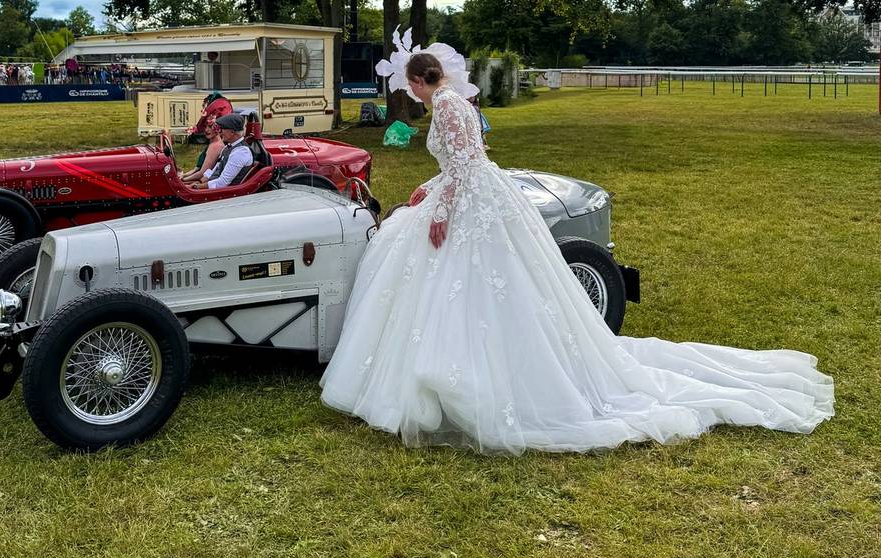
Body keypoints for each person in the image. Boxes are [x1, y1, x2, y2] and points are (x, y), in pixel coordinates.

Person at [319, 43, 834, 456]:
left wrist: (439, 208)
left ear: (418, 81)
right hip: (474, 195)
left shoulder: (448, 105)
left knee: (463, 281)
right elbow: (464, 164)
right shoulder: (455, 101)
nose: (411, 96)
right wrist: (431, 190)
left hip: (471, 202)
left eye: (409, 87)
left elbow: (466, 165)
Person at [191, 114, 253, 190]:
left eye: (222, 129)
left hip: (227, 196)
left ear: (232, 132)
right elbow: (216, 169)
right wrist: (199, 182)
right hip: (216, 189)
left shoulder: (241, 152)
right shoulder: (228, 147)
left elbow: (222, 183)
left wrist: (196, 187)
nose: (219, 132)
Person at [180, 118, 225, 183]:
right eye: (205, 127)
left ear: (218, 129)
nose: (206, 130)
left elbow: (202, 173)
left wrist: (182, 180)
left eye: (210, 127)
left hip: (203, 182)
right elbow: (196, 169)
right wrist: (183, 176)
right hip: (199, 178)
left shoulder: (215, 146)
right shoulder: (212, 144)